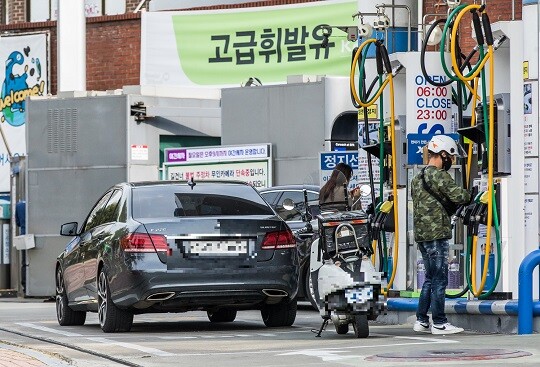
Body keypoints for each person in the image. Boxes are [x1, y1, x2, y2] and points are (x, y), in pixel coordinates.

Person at [411, 135, 470, 335]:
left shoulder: (416, 178)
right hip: (437, 234)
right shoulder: (439, 175)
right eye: (450, 157)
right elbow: (459, 196)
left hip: (422, 235)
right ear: (443, 154)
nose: (450, 161)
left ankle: (421, 320)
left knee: (429, 277)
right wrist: (472, 193)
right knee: (439, 279)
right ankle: (439, 322)